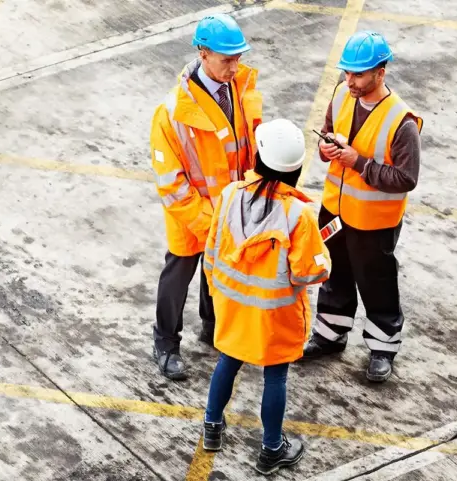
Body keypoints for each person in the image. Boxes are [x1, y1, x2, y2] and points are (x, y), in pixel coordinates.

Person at [199, 118, 331, 475]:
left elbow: (212, 251)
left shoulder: (230, 195)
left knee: (227, 362)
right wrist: (323, 254)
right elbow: (309, 273)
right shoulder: (298, 215)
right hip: (275, 317)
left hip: (232, 306)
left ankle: (212, 427)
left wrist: (218, 294)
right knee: (275, 378)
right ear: (296, 169)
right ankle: (272, 449)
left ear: (258, 158)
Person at [298, 31, 423, 383]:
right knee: (333, 275)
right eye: (348, 72)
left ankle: (383, 348)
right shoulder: (341, 94)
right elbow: (328, 131)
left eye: (359, 74)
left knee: (376, 284)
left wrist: (358, 162)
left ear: (380, 73)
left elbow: (406, 178)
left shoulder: (402, 123)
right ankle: (330, 334)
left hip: (374, 221)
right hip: (335, 210)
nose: (350, 81)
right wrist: (327, 149)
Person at [149, 14, 264, 380]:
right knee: (177, 276)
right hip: (193, 215)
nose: (234, 67)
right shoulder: (173, 113)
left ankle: (212, 327)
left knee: (219, 272)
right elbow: (171, 184)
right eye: (227, 59)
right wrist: (208, 221)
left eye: (238, 58)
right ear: (202, 53)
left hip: (230, 209)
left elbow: (247, 148)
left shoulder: (239, 89)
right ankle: (165, 342)